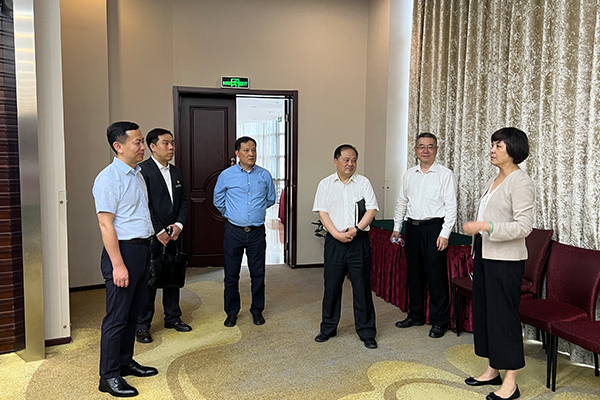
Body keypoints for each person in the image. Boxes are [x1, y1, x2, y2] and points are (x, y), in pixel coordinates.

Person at [462, 127, 534, 400]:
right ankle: (492, 369)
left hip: (506, 260)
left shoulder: (520, 182)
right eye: (492, 144)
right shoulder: (494, 179)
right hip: (485, 253)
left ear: (513, 150)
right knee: (486, 313)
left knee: (504, 317)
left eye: (498, 146)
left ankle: (511, 382)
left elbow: (524, 226)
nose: (492, 150)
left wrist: (486, 226)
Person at [92, 121, 158, 398]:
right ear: (118, 146)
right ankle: (108, 376)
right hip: (123, 252)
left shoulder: (138, 175)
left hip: (142, 249)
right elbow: (105, 224)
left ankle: (125, 362)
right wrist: (118, 265)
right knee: (116, 317)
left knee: (133, 313)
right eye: (137, 142)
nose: (143, 147)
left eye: (142, 141)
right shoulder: (109, 178)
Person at [391, 132, 457, 339]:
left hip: (434, 229)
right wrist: (397, 227)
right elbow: (402, 201)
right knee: (414, 274)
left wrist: (445, 233)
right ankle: (416, 314)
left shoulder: (445, 174)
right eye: (421, 146)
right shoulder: (409, 174)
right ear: (415, 150)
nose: (425, 150)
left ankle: (440, 321)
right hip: (412, 229)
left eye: (430, 146)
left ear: (436, 150)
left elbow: (451, 206)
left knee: (436, 277)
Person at [312, 144, 379, 349]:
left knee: (362, 287)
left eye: (354, 160)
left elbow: (372, 209)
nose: (350, 164)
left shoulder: (363, 182)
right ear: (336, 161)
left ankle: (366, 331)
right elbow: (322, 212)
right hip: (335, 242)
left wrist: (356, 229)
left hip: (359, 241)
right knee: (332, 287)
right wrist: (336, 234)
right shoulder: (325, 184)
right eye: (346, 160)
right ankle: (328, 328)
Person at [135, 128, 191, 344]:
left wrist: (179, 225)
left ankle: (173, 317)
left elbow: (184, 201)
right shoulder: (143, 171)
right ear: (152, 146)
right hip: (152, 235)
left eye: (172, 143)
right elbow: (144, 204)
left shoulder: (177, 172)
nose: (171, 147)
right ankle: (143, 325)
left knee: (172, 275)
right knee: (149, 280)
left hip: (174, 234)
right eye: (166, 143)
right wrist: (158, 230)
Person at [213, 136, 276, 327]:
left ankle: (257, 311)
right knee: (231, 274)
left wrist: (255, 212)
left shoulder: (264, 175)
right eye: (247, 150)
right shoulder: (227, 175)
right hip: (234, 231)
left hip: (256, 232)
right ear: (237, 153)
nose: (251, 154)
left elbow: (270, 199)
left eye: (254, 150)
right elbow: (218, 200)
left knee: (258, 274)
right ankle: (232, 312)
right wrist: (233, 214)